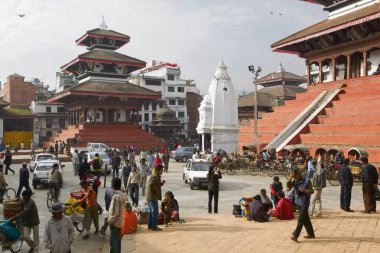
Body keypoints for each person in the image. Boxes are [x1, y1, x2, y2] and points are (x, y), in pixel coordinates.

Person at [290, 168, 315, 242]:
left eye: (295, 176)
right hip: (298, 202)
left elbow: (312, 191)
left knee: (301, 219)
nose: (294, 177)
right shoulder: (294, 180)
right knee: (305, 219)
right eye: (293, 176)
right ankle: (311, 234)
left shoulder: (307, 181)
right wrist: (290, 178)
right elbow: (289, 185)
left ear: (299, 174)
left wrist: (305, 190)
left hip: (305, 202)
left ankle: (295, 235)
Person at [108, 178, 126, 253]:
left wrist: (110, 222)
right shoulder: (121, 195)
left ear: (112, 186)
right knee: (117, 243)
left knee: (114, 244)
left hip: (115, 223)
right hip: (119, 222)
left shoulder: (116, 197)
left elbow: (115, 213)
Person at [146, 164, 165, 231]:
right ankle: (154, 227)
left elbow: (156, 184)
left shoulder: (157, 176)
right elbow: (151, 185)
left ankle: (150, 226)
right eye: (161, 170)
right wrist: (156, 192)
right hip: (152, 197)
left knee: (152, 212)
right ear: (158, 170)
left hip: (151, 196)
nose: (162, 171)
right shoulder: (154, 176)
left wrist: (161, 183)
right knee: (155, 212)